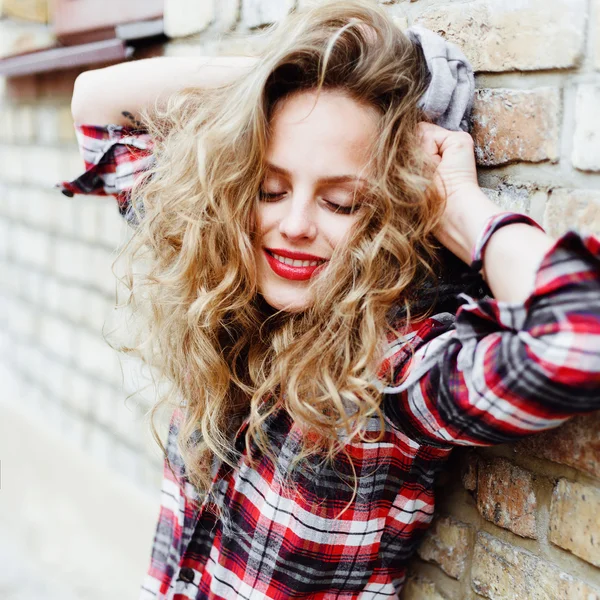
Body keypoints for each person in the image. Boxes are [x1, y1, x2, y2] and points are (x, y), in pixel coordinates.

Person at [59, 2, 600, 598]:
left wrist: (462, 212)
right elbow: (96, 104)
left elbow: (580, 337)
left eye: (341, 202)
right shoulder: (225, 271)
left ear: (395, 210)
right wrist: (285, 74)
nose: (293, 224)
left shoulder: (391, 372)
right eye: (269, 188)